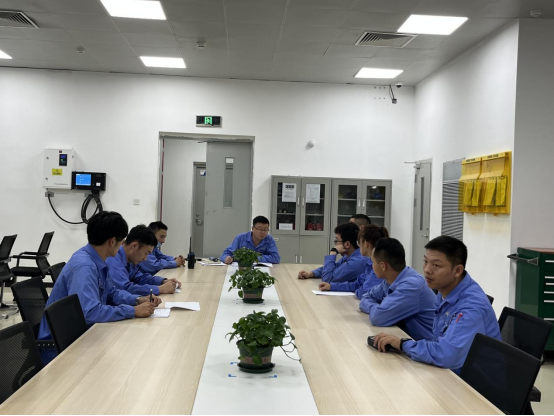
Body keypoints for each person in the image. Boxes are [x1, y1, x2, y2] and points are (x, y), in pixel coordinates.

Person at [38, 212, 161, 365]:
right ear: (112, 242)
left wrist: (137, 300)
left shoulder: (98, 261)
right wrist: (132, 311)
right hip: (59, 347)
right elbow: (89, 312)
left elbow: (112, 293)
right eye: (122, 241)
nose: (123, 245)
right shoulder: (85, 267)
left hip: (79, 334)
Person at [374, 236, 502, 374]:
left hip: (472, 381)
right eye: (425, 262)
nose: (427, 270)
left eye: (436, 265)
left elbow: (446, 355)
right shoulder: (445, 291)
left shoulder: (470, 308)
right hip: (448, 371)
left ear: (457, 271)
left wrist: (402, 344)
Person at [358, 238, 436, 341]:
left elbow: (378, 317)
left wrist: (380, 309)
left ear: (383, 266)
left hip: (425, 346)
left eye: (373, 262)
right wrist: (379, 308)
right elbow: (366, 298)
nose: (372, 266)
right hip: (408, 340)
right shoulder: (390, 280)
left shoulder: (411, 286)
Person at [107, 225, 182, 296]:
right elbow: (125, 288)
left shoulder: (129, 260)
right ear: (134, 246)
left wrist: (163, 281)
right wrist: (159, 289)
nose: (145, 259)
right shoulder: (113, 259)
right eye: (146, 253)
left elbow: (140, 278)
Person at [318, 225, 389, 298]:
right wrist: (331, 286)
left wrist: (358, 290)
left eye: (359, 242)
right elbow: (357, 284)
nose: (358, 246)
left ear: (366, 244)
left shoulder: (373, 265)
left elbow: (364, 292)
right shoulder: (370, 263)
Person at [298, 222, 367, 283]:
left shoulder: (357, 262)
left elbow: (327, 279)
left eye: (337, 240)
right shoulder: (349, 256)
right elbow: (333, 268)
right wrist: (310, 274)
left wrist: (333, 253)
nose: (335, 243)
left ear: (347, 244)